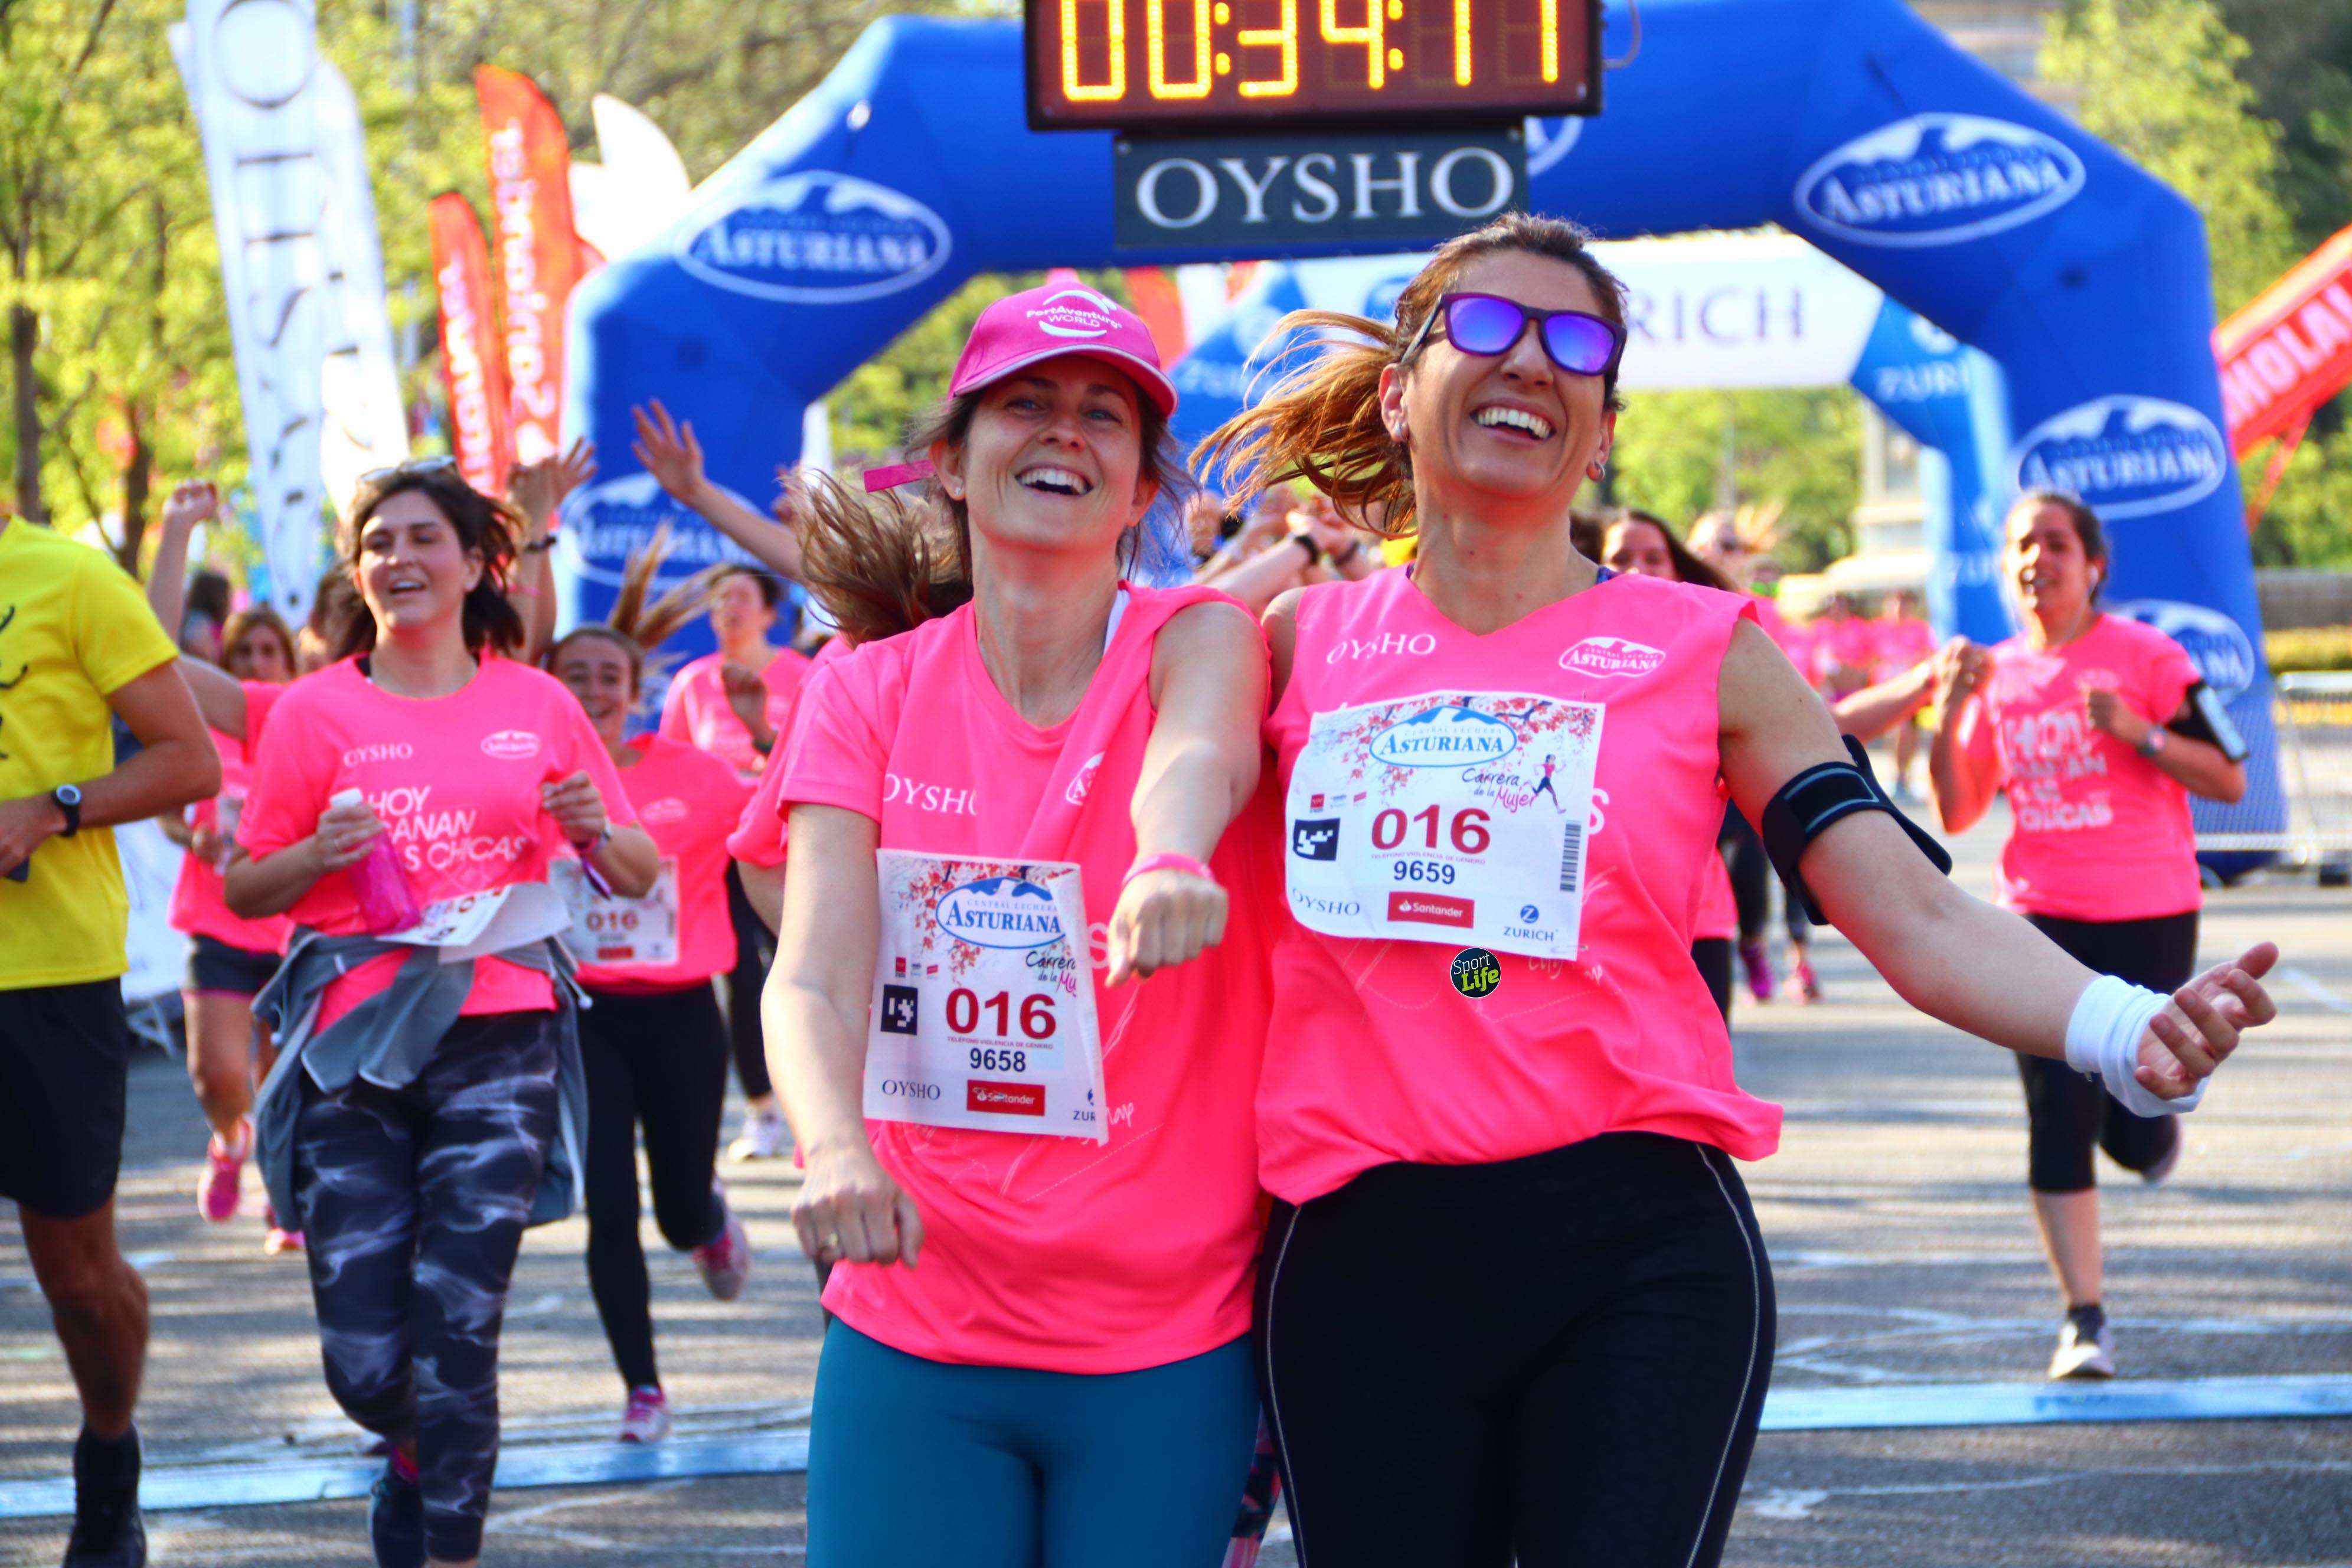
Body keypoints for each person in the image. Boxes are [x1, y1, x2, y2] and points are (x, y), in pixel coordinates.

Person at [1198, 212, 2277, 1568]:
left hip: (1635, 1257)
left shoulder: (1709, 650)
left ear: (1601, 434)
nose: (1529, 361)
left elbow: (1914, 907)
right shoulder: (1290, 647)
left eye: (1574, 344)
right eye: (1482, 327)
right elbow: (1101, 770)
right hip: (1358, 1262)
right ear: (1398, 391)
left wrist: (2122, 1025)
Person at [762, 281, 1275, 1567]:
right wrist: (834, 1153)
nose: (1067, 433)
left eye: (1106, 415)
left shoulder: (1196, 631)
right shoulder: (863, 689)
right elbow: (812, 975)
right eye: (1028, 405)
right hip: (915, 1318)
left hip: (1162, 1338)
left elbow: (1201, 745)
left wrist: (1169, 855)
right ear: (950, 461)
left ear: (1144, 486)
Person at [226, 459, 659, 1568]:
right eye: (378, 542)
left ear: (475, 566)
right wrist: (314, 855)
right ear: (358, 571)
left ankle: (449, 1550)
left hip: (500, 1027)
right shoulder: (315, 710)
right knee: (369, 1363)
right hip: (352, 1046)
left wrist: (592, 828)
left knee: (458, 1323)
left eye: (424, 538)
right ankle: (415, 1451)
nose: (398, 558)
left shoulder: (540, 702)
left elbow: (638, 870)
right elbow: (245, 886)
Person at [1929, 489, 2250, 1380]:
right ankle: (2085, 1320)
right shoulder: (1998, 674)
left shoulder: (2150, 656)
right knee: (2056, 1113)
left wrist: (2140, 732)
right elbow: (1957, 810)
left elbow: (2228, 776)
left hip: (2149, 910)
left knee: (2134, 1118)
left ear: (2093, 565)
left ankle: (2152, 1142)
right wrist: (1953, 710)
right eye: (2022, 545)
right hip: (2039, 916)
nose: (2039, 558)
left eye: (2057, 543)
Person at [1, 507, 220, 1568]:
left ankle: (108, 1464)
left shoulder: (69, 577)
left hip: (46, 981)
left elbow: (190, 761)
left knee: (80, 1283)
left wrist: (54, 805)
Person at [548, 610, 758, 1442]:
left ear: (635, 693)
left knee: (673, 1209)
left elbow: (787, 820)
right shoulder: (535, 775)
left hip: (680, 1015)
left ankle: (705, 1221)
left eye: (610, 675)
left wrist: (770, 732)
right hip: (585, 1015)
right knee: (609, 1205)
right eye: (576, 674)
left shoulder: (700, 777)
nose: (594, 688)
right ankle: (642, 1388)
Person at [142, 482, 305, 1250]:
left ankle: (282, 1193)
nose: (260, 666)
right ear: (228, 661)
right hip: (217, 919)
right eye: (246, 655)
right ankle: (225, 1137)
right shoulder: (213, 726)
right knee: (219, 1079)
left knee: (279, 1080)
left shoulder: (306, 727)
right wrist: (178, 531)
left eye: (273, 653)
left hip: (293, 930)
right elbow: (149, 646)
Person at [655, 561, 814, 1162]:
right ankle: (764, 1111)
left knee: (799, 972)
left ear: (771, 613)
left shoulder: (804, 674)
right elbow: (673, 768)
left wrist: (760, 740)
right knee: (743, 979)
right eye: (718, 600)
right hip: (719, 855)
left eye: (742, 598)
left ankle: (815, 1105)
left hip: (796, 851)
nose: (729, 610)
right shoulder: (693, 683)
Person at [1602, 508, 1742, 1019]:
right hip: (1589, 928)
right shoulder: (1551, 662)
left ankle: (1773, 940)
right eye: (1620, 558)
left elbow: (1824, 724)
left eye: (1654, 558)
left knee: (1697, 1089)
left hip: (1697, 920)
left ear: (1678, 571)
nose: (1637, 569)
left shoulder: (1719, 657)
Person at [1873, 588, 1936, 795]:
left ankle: (1902, 777)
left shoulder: (1920, 629)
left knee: (1907, 731)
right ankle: (1897, 775)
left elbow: (1930, 656)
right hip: (1882, 692)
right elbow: (1865, 660)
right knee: (1894, 733)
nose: (1900, 608)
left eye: (1905, 603)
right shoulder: (1877, 629)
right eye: (1896, 602)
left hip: (1911, 692)